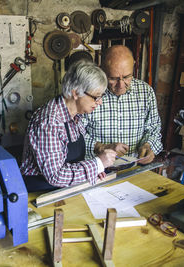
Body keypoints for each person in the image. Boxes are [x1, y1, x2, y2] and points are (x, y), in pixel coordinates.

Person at [20, 60, 117, 192]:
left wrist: (93, 170)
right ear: (76, 93)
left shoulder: (75, 115)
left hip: (65, 188)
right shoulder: (49, 122)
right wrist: (97, 164)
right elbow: (55, 175)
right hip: (41, 192)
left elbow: (69, 160)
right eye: (96, 97)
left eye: (101, 96)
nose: (99, 102)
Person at [84, 45, 163, 164]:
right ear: (102, 70)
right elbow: (74, 135)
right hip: (96, 169)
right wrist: (101, 147)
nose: (121, 85)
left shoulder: (145, 92)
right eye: (113, 78)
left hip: (133, 167)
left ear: (134, 66)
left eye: (126, 77)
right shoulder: (89, 93)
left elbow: (154, 129)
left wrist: (148, 146)